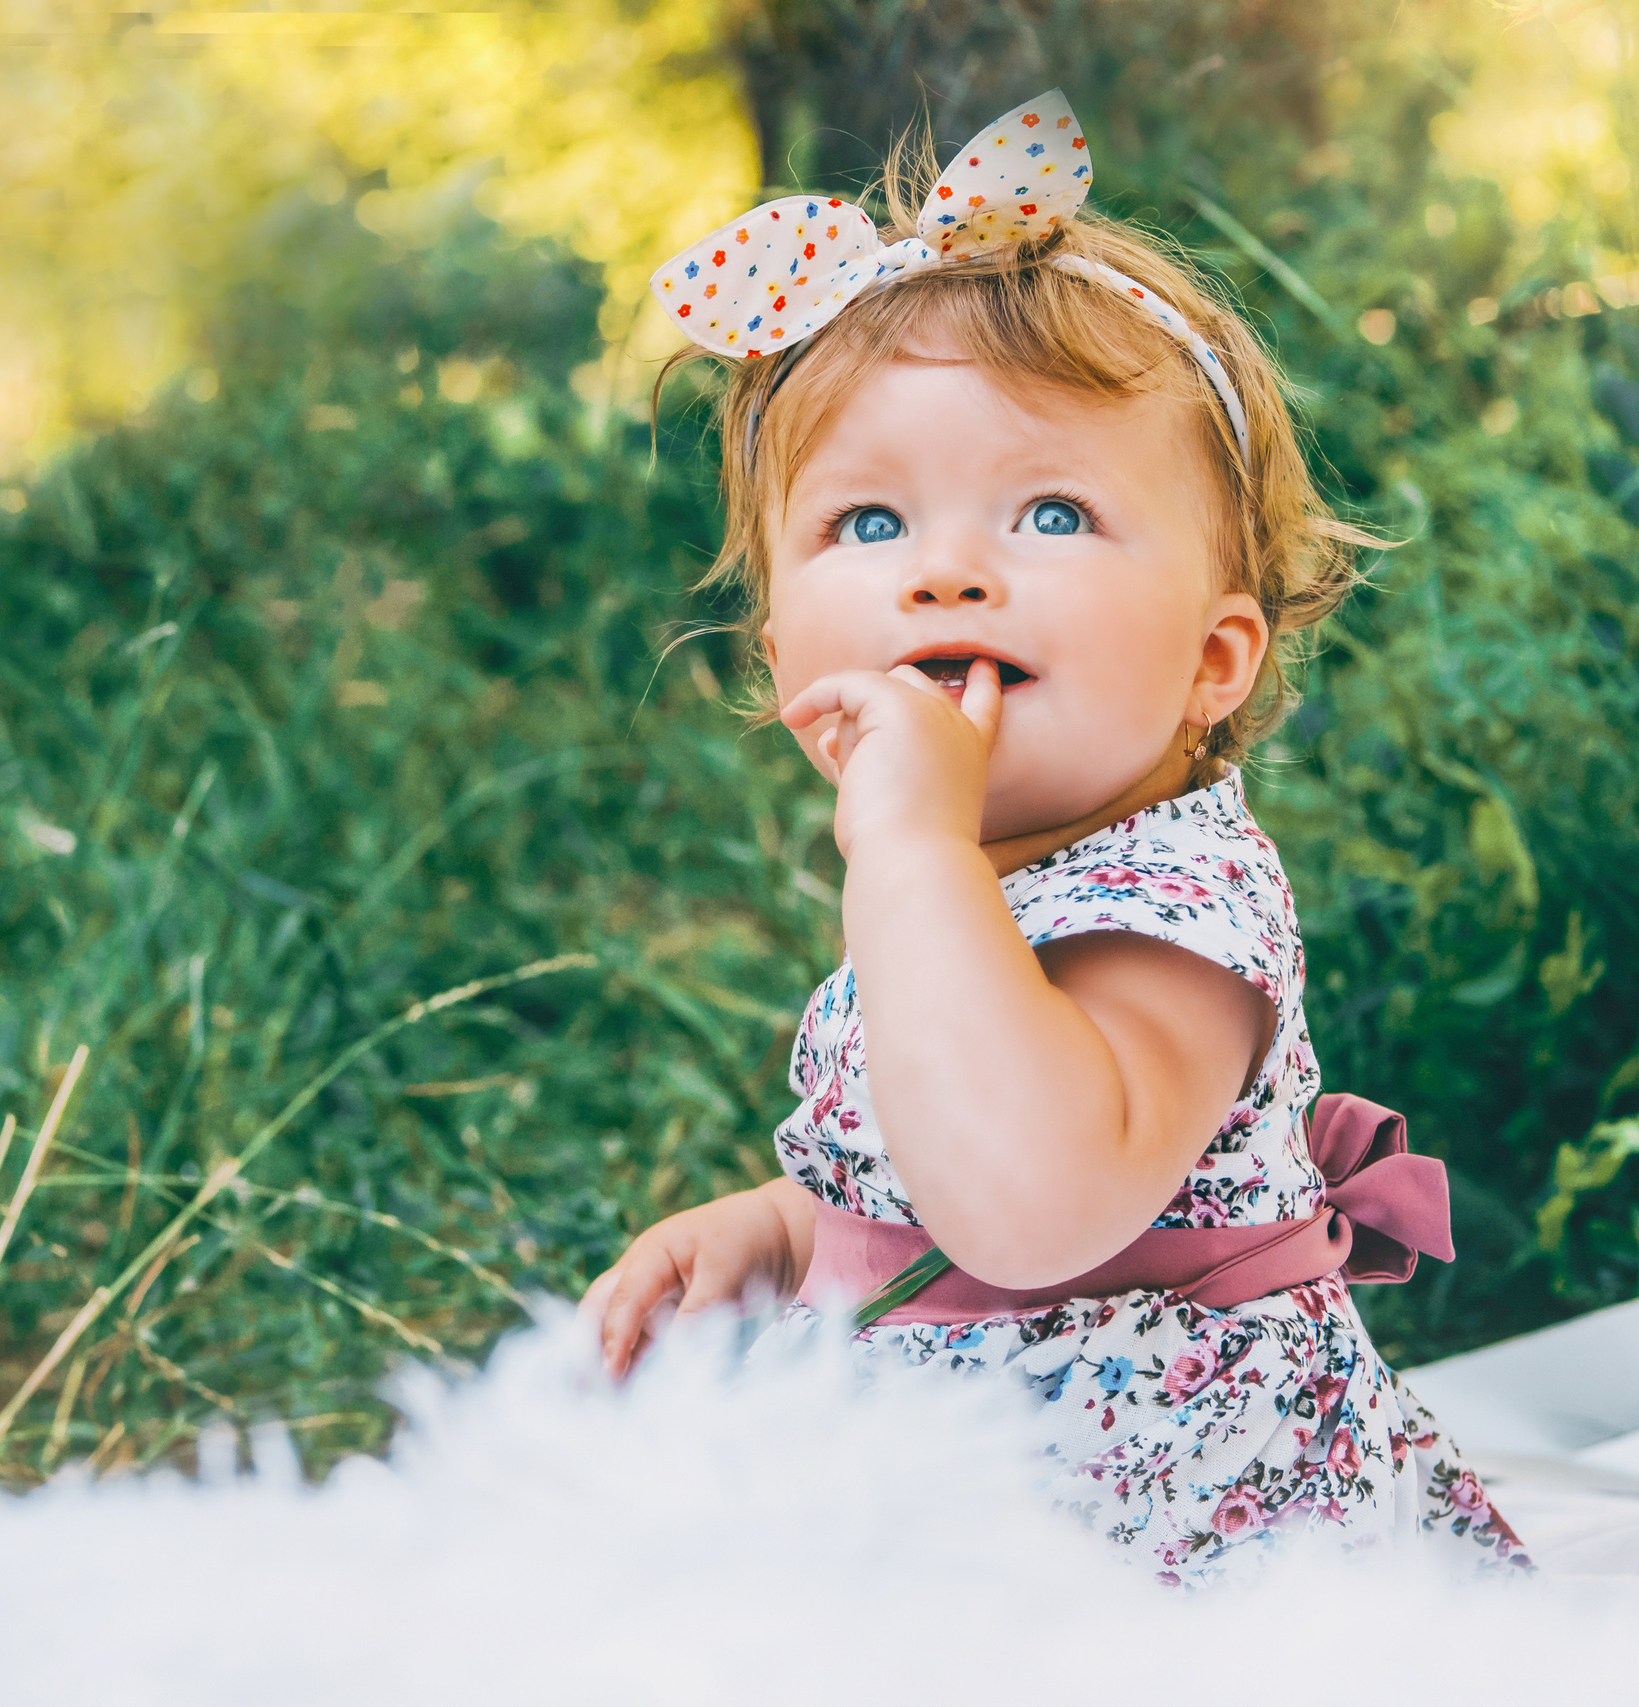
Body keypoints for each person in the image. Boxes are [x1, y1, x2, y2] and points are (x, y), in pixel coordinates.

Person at [582, 90, 1526, 1583]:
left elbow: (1030, 1207)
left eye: (1055, 515)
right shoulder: (953, 877)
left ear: (1214, 661)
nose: (948, 572)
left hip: (1180, 1549)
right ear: (778, 654)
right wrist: (781, 1233)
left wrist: (908, 849)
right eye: (870, 526)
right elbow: (928, 1169)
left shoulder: (1180, 901)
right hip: (944, 1485)